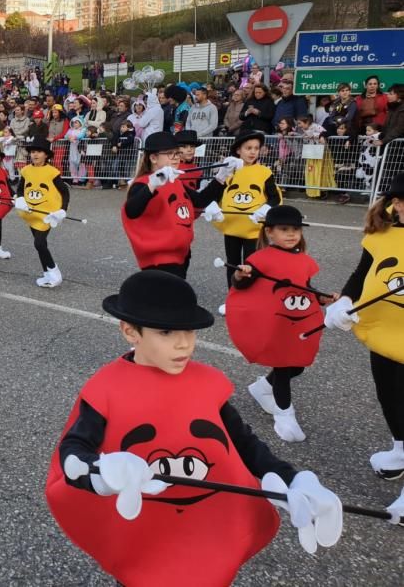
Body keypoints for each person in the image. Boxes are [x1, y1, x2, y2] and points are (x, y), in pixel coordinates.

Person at [45, 270, 343, 587]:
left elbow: (244, 443)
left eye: (189, 331)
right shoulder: (105, 388)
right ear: (130, 331)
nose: (184, 344)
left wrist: (292, 479)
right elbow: (74, 451)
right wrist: (98, 471)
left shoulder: (208, 383)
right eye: (166, 333)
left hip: (204, 524)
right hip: (143, 528)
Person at [227, 205, 337, 442]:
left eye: (295, 229)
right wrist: (240, 275)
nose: (291, 234)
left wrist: (322, 298)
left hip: (298, 323)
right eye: (284, 229)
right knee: (284, 368)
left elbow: (305, 288)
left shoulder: (304, 260)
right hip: (274, 324)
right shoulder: (259, 259)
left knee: (298, 365)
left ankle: (262, 388)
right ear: (270, 232)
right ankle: (285, 414)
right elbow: (241, 286)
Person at [324, 172, 404, 479]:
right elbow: (361, 274)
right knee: (389, 394)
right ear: (397, 204)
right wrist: (345, 300)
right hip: (385, 331)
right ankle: (400, 447)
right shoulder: (380, 237)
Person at [121, 132, 234, 278]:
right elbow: (132, 211)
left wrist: (221, 176)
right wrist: (152, 185)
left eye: (176, 153)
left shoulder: (176, 181)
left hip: (181, 252)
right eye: (169, 154)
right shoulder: (143, 183)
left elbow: (199, 201)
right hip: (159, 257)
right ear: (153, 158)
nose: (176, 158)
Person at [203, 128, 282, 314]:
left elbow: (274, 197)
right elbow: (216, 193)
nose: (253, 152)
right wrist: (212, 207)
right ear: (238, 150)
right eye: (248, 148)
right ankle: (234, 296)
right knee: (232, 263)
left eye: (256, 148)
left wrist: (265, 209)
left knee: (252, 264)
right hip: (231, 227)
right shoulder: (228, 170)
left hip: (253, 229)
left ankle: (252, 298)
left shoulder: (264, 172)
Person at [13, 138, 70, 288]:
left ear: (46, 155)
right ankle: (47, 274)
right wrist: (20, 199)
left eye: (38, 152)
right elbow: (20, 188)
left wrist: (63, 210)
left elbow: (65, 192)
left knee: (39, 243)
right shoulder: (25, 170)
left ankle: (54, 271)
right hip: (31, 213)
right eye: (32, 152)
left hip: (47, 214)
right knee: (40, 244)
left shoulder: (52, 172)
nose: (35, 155)